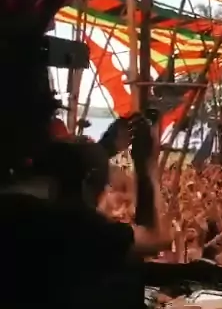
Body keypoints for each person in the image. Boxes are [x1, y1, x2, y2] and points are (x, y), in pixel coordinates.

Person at [0, 114, 171, 308]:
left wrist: (109, 146)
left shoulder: (15, 209)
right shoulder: (71, 224)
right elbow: (157, 238)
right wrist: (147, 166)